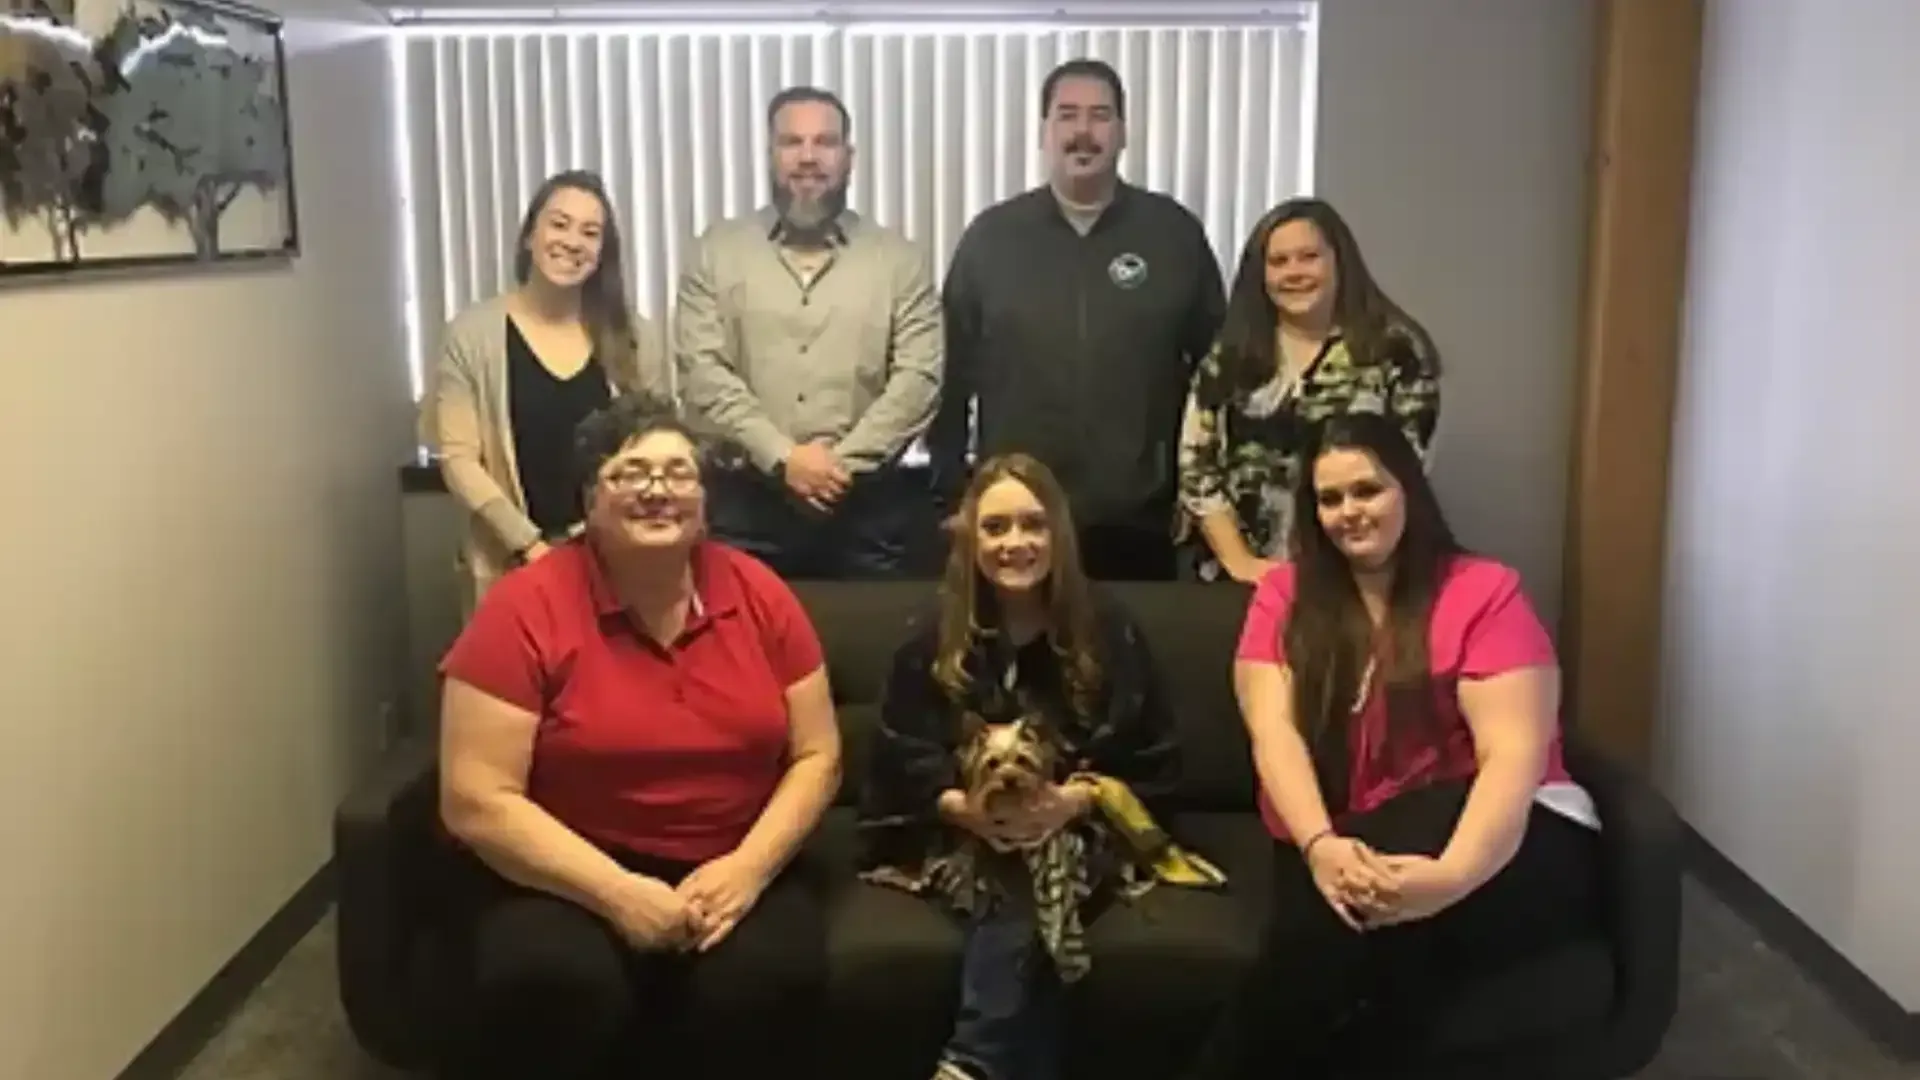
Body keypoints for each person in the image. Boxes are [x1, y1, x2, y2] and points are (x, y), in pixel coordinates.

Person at [1181, 412, 1603, 1080]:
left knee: (1325, 942)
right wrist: (1320, 847)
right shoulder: (1284, 597)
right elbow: (1275, 735)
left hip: (1511, 831)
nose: (1350, 511)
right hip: (1352, 829)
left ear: (1408, 487)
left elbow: (1512, 756)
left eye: (1367, 490)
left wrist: (1452, 877)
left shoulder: (1484, 591)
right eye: (1330, 498)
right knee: (1369, 970)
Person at [432, 394, 841, 1080]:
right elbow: (474, 797)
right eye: (631, 473)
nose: (658, 490)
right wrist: (618, 893)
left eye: (679, 473)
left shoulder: (761, 593)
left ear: (705, 500)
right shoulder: (523, 607)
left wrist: (748, 870)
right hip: (566, 872)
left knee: (765, 986)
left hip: (732, 858)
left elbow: (818, 754)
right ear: (590, 498)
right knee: (557, 986)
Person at [860, 452, 1183, 1080]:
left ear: (1058, 534)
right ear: (970, 539)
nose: (1016, 543)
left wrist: (1073, 802)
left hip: (1084, 829)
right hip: (956, 833)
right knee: (1021, 884)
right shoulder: (931, 635)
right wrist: (964, 810)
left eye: (1033, 525)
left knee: (1043, 867)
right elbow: (899, 754)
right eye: (997, 527)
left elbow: (1151, 754)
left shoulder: (1109, 628)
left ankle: (971, 1063)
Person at [931, 58, 1226, 582]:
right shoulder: (992, 239)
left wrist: (1204, 495)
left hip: (1140, 519)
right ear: (1045, 131)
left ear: (1123, 131)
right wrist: (954, 492)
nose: (1083, 132)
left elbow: (1218, 376)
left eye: (1100, 115)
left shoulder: (1172, 233)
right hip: (1017, 519)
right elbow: (951, 377)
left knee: (1130, 658)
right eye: (1067, 116)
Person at [676, 84, 943, 579]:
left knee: (870, 650)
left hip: (867, 516)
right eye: (791, 142)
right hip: (743, 513)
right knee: (740, 653)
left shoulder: (900, 261)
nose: (808, 157)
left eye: (824, 142)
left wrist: (834, 469)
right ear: (770, 153)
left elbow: (918, 380)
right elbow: (702, 372)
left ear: (849, 156)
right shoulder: (716, 252)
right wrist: (784, 459)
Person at [421, 169, 668, 607]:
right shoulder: (472, 335)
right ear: (529, 237)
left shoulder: (634, 337)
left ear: (601, 254)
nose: (572, 242)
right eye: (558, 223)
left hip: (613, 566)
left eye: (590, 233)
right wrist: (530, 546)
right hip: (510, 563)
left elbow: (655, 451)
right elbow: (459, 459)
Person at [1177, 198, 1441, 585]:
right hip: (1243, 580)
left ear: (1339, 262)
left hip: (1360, 576)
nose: (1294, 272)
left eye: (1309, 256)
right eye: (1279, 262)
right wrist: (1243, 563)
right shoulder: (1232, 357)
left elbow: (1405, 472)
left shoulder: (1395, 352)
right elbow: (1197, 469)